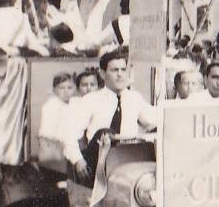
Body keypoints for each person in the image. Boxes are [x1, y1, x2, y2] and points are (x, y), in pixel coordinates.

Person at [61, 51, 160, 183]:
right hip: (97, 163)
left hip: (127, 161)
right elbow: (69, 133)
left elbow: (154, 120)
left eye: (123, 70)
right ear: (102, 74)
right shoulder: (91, 100)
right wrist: (77, 160)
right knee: (105, 132)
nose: (120, 74)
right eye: (114, 70)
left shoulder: (134, 98)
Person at [38, 73, 76, 162]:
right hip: (52, 146)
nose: (66, 91)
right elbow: (49, 133)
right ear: (54, 90)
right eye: (61, 88)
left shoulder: (71, 104)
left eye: (69, 88)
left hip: (64, 146)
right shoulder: (51, 105)